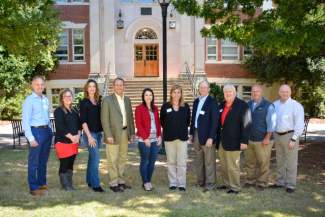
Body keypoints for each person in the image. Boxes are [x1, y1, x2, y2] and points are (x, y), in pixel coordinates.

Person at [101, 77, 135, 192]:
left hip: (125, 133)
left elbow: (130, 117)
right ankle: (113, 183)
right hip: (113, 134)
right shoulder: (107, 100)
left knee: (122, 158)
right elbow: (104, 120)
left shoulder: (127, 100)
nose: (119, 87)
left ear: (124, 86)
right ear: (113, 86)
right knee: (112, 159)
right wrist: (108, 135)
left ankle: (121, 181)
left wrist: (132, 133)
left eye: (121, 85)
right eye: (117, 85)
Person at [217, 84, 251, 194]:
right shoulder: (221, 105)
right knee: (224, 165)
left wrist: (244, 141)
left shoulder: (242, 105)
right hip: (222, 141)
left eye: (230, 91)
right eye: (225, 92)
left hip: (235, 141)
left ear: (235, 93)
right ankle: (226, 184)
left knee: (233, 165)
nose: (227, 94)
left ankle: (235, 187)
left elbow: (247, 124)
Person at [22, 76, 53, 196]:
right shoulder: (29, 100)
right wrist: (31, 138)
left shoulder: (45, 99)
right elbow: (25, 121)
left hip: (46, 131)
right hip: (36, 132)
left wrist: (49, 130)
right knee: (33, 162)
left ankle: (41, 183)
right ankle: (33, 187)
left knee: (43, 161)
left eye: (41, 84)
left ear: (44, 86)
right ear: (32, 85)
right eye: (37, 84)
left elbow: (47, 117)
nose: (40, 86)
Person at [270, 84, 304, 193]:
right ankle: (280, 182)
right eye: (282, 91)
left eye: (287, 92)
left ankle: (290, 184)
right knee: (280, 160)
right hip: (277, 135)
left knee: (291, 161)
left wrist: (294, 139)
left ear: (290, 93)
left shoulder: (296, 106)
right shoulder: (275, 105)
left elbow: (299, 124)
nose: (284, 93)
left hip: (290, 135)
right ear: (279, 93)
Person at [244, 84, 276, 190]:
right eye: (253, 91)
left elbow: (272, 124)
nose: (254, 93)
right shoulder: (248, 104)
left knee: (263, 162)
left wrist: (267, 137)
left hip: (263, 140)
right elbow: (246, 122)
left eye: (257, 91)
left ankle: (262, 182)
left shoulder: (268, 105)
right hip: (250, 140)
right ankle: (250, 180)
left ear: (261, 92)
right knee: (250, 162)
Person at [189, 80, 219, 192]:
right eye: (201, 87)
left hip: (207, 136)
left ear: (209, 89)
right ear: (199, 89)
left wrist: (211, 137)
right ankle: (200, 182)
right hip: (196, 134)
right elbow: (193, 119)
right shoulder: (196, 101)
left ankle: (210, 184)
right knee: (199, 159)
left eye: (205, 87)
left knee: (209, 161)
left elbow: (215, 121)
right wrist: (192, 133)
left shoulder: (212, 102)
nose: (203, 89)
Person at [160, 85, 191, 191]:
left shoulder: (185, 106)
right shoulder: (165, 106)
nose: (176, 94)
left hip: (182, 138)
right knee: (171, 162)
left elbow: (188, 121)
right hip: (169, 138)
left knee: (182, 162)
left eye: (178, 92)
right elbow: (162, 122)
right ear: (171, 93)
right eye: (174, 92)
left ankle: (181, 183)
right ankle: (173, 182)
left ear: (181, 94)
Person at [54, 89, 81, 191]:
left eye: (70, 96)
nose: (68, 98)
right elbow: (60, 127)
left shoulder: (74, 110)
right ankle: (65, 185)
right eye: (66, 96)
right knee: (64, 163)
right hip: (63, 142)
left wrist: (78, 136)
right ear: (62, 98)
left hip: (74, 142)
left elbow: (79, 125)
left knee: (71, 163)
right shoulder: (59, 111)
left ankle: (69, 184)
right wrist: (72, 137)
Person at [80, 79, 104, 193]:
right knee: (96, 158)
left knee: (92, 158)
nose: (92, 88)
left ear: (96, 88)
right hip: (90, 134)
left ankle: (89, 180)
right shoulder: (84, 102)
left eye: (94, 86)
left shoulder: (99, 101)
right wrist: (89, 136)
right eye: (90, 86)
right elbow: (83, 121)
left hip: (99, 133)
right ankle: (96, 184)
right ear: (86, 88)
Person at [135, 88, 162, 191]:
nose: (148, 97)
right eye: (146, 95)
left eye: (150, 95)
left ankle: (148, 181)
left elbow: (158, 123)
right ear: (143, 96)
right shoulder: (139, 108)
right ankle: (145, 182)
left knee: (152, 162)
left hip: (154, 140)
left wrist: (159, 135)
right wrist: (145, 138)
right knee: (144, 161)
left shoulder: (155, 108)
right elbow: (139, 124)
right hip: (144, 141)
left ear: (152, 96)